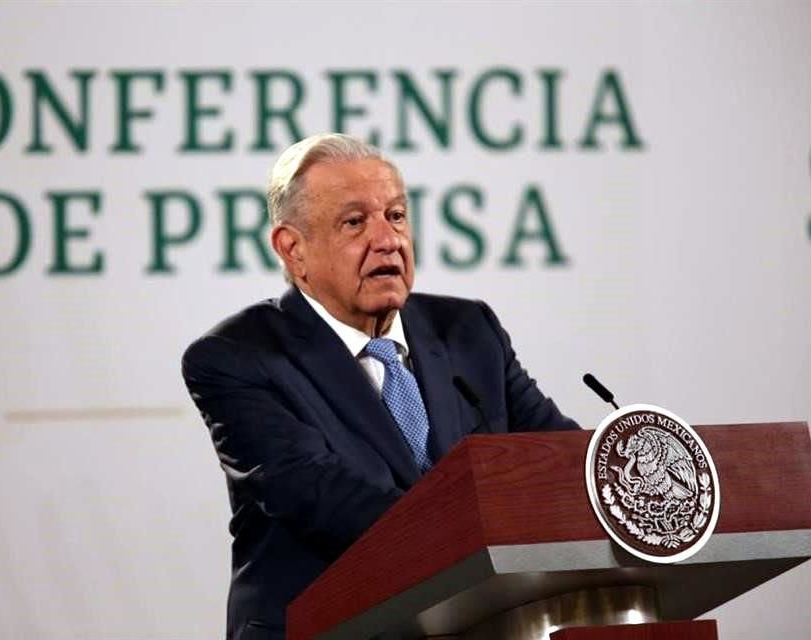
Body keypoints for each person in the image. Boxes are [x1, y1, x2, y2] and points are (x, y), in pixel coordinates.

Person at [182, 133, 578, 640]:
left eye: (395, 215)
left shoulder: (468, 331)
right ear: (293, 248)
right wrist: (488, 529)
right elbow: (323, 497)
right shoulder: (238, 359)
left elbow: (557, 459)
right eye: (354, 222)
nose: (387, 239)